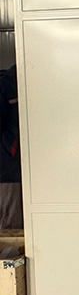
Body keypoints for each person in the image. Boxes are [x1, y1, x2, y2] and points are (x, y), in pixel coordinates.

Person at [0, 65, 22, 229]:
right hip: (9, 171)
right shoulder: (8, 85)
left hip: (11, 171)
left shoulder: (8, 84)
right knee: (10, 229)